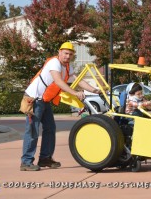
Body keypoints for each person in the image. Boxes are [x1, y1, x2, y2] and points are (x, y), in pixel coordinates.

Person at [20, 42, 100, 171]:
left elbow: (78, 80)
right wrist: (75, 93)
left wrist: (95, 90)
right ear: (59, 52)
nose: (68, 56)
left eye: (70, 54)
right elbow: (58, 81)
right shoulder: (54, 63)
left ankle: (45, 158)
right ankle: (26, 162)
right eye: (65, 53)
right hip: (33, 99)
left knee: (50, 128)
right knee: (33, 130)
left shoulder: (68, 66)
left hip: (44, 100)